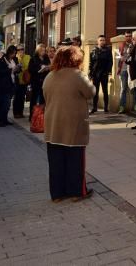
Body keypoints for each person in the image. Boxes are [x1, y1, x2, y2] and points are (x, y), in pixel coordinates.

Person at [42, 45, 95, 202]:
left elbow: (45, 94)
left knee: (56, 160)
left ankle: (57, 194)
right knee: (75, 159)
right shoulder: (78, 75)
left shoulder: (50, 76)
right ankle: (76, 192)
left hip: (53, 124)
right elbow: (90, 93)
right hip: (73, 124)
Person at [0, 46, 18, 126]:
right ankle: (1, 120)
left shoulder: (14, 60)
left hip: (12, 83)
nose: (13, 55)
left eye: (15, 53)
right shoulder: (2, 60)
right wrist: (11, 70)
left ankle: (3, 119)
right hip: (4, 84)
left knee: (6, 103)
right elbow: (0, 72)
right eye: (12, 53)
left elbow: (16, 70)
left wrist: (18, 68)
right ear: (9, 52)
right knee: (5, 103)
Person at [88, 35, 112, 114]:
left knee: (105, 91)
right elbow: (90, 63)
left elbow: (110, 62)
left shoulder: (108, 51)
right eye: (101, 40)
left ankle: (106, 107)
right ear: (97, 41)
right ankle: (94, 107)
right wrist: (90, 73)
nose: (102, 41)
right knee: (95, 91)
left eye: (103, 40)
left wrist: (108, 71)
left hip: (104, 73)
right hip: (95, 74)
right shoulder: (93, 51)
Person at [111, 33, 132, 114]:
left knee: (133, 88)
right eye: (126, 36)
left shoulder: (134, 45)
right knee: (123, 89)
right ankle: (122, 106)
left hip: (131, 69)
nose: (128, 37)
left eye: (129, 36)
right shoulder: (121, 45)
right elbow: (118, 57)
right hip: (123, 70)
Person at [28, 45, 51, 113]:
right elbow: (30, 69)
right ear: (38, 51)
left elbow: (49, 65)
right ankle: (32, 115)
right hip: (35, 80)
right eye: (41, 50)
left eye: (44, 50)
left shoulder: (46, 57)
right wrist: (39, 69)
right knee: (34, 99)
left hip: (44, 80)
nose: (43, 52)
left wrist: (47, 68)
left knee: (43, 99)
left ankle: (41, 115)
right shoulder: (33, 58)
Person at [13, 48, 31, 119]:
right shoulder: (16, 58)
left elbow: (28, 67)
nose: (21, 51)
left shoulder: (28, 57)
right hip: (17, 80)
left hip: (25, 80)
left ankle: (20, 112)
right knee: (17, 97)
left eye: (22, 49)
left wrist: (23, 67)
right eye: (19, 50)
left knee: (22, 97)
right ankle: (16, 113)